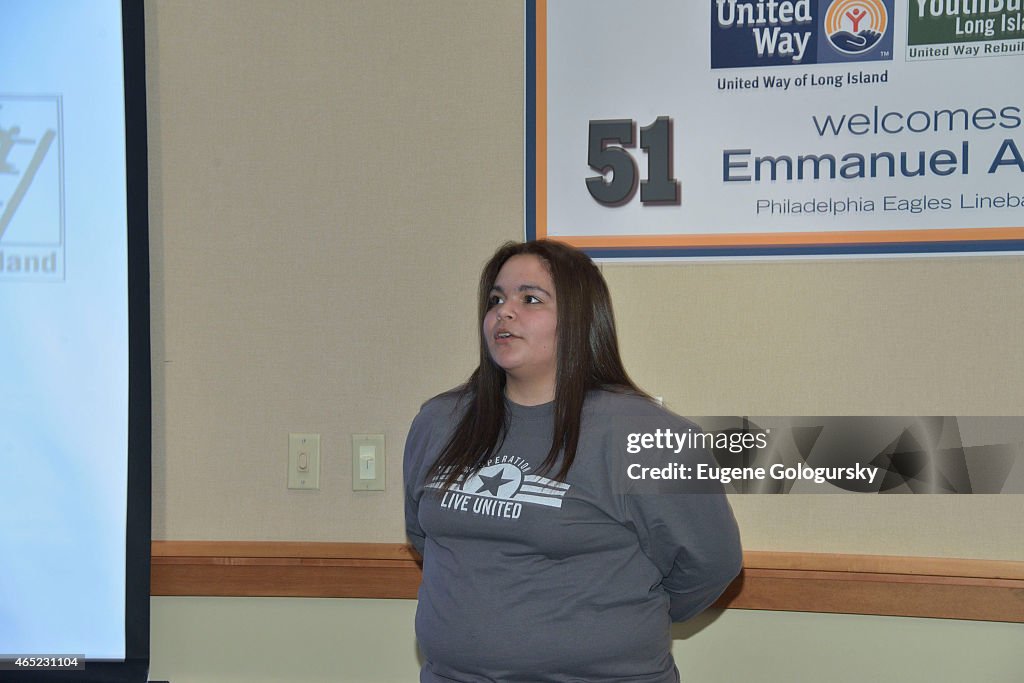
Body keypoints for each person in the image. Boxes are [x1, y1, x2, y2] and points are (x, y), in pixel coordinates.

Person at [404, 240, 742, 682]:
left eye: (530, 299)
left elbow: (710, 561)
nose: (504, 312)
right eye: (496, 299)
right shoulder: (439, 421)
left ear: (580, 320)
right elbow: (424, 537)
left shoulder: (648, 435)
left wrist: (625, 615)